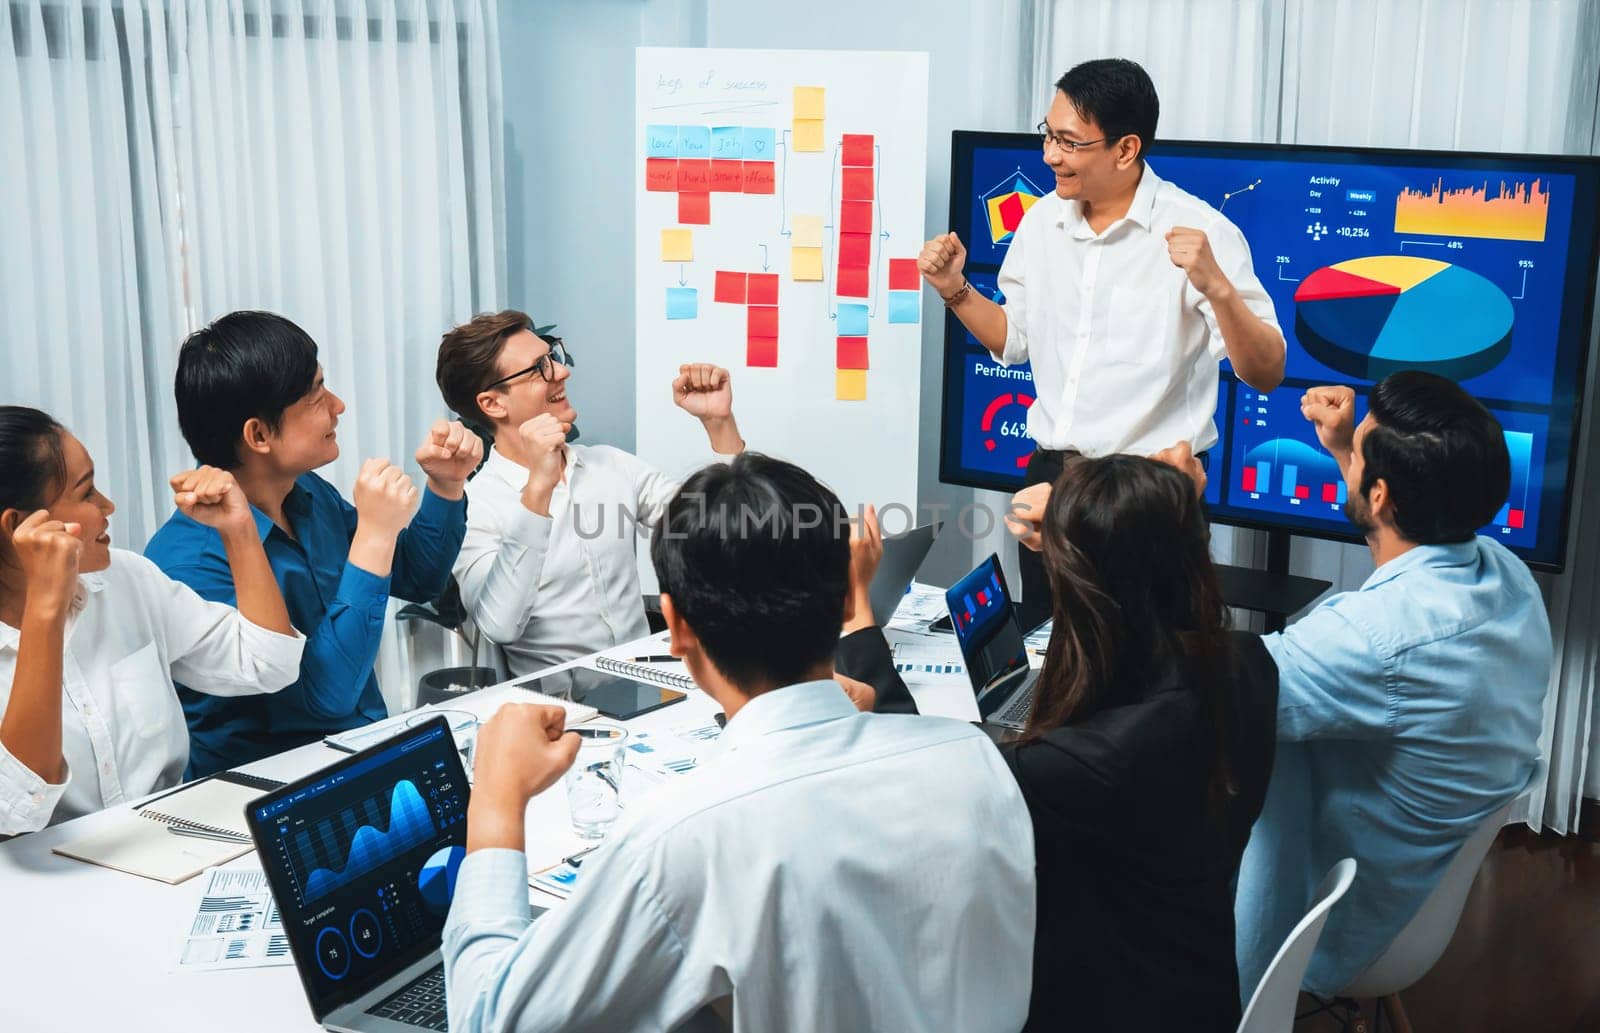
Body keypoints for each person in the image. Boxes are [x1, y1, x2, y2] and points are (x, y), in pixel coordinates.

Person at [441, 453, 1035, 1032]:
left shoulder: (682, 840)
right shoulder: (975, 757)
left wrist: (494, 799)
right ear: (847, 597)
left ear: (673, 624)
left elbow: (489, 1020)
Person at [846, 444, 1277, 1031]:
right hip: (1194, 982)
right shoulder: (1246, 663)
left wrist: (858, 621)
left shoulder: (1084, 766)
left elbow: (925, 777)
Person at [918, 57, 1286, 629]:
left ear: (1125, 149)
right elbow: (1015, 340)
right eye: (1048, 135)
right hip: (1052, 483)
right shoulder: (1042, 222)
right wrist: (955, 290)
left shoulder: (1204, 231)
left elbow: (1266, 371)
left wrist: (1216, 287)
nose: (1049, 156)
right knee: (1051, 656)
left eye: (1068, 142)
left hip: (1149, 492)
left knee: (1151, 666)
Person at [1232, 372, 1552, 999]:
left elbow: (1206, 688)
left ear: (1379, 496)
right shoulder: (1506, 575)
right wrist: (1348, 452)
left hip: (1330, 927)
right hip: (1416, 905)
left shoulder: (1373, 639)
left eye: (1362, 448)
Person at [145, 311, 475, 776]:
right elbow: (328, 699)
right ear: (258, 434)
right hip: (266, 796)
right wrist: (376, 535)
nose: (338, 406)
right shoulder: (188, 564)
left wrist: (445, 486)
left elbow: (418, 578)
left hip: (361, 755)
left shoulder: (308, 494)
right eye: (317, 396)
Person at [0, 407, 303, 834]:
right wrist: (45, 610)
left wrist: (238, 528)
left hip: (168, 848)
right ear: (19, 527)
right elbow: (16, 812)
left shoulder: (127, 578)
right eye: (86, 493)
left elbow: (269, 665)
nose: (108, 505)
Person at [434, 310, 744, 674]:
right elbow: (499, 625)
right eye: (540, 369)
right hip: (558, 713)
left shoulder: (611, 466)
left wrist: (718, 422)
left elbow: (724, 530)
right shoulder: (476, 506)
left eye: (553, 357)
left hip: (649, 688)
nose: (562, 372)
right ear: (493, 404)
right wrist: (539, 488)